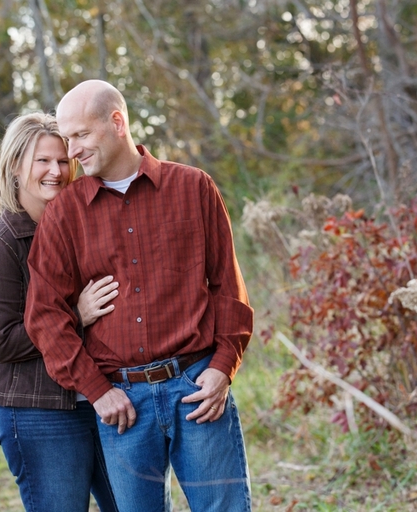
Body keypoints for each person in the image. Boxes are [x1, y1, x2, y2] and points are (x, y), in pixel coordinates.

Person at [24, 80, 254, 512]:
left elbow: (229, 287)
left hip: (197, 387)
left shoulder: (193, 187)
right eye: (66, 137)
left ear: (117, 122)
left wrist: (223, 367)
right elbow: (45, 316)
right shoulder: (65, 215)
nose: (71, 151)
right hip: (122, 402)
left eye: (80, 135)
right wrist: (96, 390)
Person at [0, 112, 119, 512]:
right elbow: (0, 341)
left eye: (62, 160)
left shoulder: (81, 227)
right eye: (43, 161)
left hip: (102, 399)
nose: (56, 171)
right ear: (16, 167)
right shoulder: (2, 244)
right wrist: (75, 315)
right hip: (39, 412)